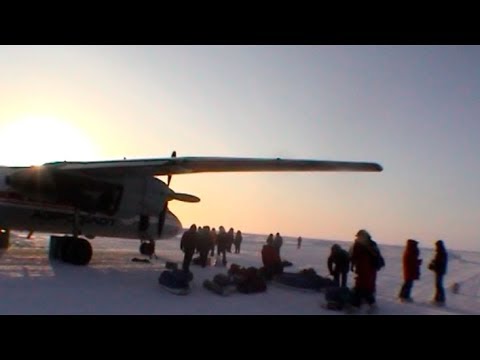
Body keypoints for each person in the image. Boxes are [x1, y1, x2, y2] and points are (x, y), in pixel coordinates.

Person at [349, 229, 384, 313]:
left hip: (365, 270)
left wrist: (353, 263)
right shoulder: (370, 245)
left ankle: (357, 307)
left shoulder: (361, 246)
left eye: (358, 236)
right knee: (364, 288)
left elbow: (353, 256)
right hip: (368, 270)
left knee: (361, 288)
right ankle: (362, 306)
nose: (357, 238)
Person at [428, 240, 448, 305]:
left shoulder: (441, 253)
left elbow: (439, 263)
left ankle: (440, 299)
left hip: (439, 271)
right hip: (440, 270)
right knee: (438, 285)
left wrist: (433, 265)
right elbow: (437, 262)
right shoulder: (441, 252)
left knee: (438, 285)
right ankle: (438, 298)